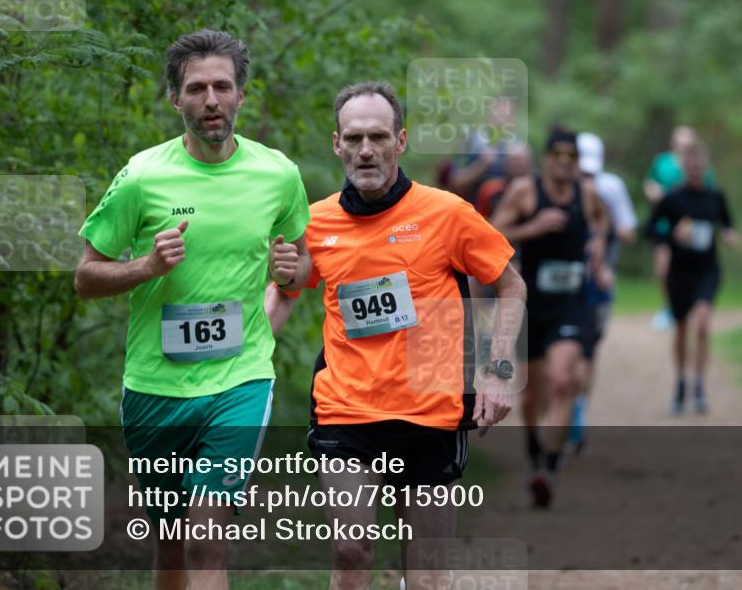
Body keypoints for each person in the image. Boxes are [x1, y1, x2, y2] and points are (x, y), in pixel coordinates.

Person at [265, 81, 526, 590]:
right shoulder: (315, 222)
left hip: (431, 409)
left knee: (426, 574)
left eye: (378, 137)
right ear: (337, 144)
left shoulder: (446, 213)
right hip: (347, 409)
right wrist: (244, 358)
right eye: (354, 138)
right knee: (350, 549)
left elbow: (511, 285)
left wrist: (498, 372)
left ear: (400, 141)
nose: (366, 150)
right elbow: (288, 290)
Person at [74, 29, 311, 590]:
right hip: (155, 386)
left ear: (241, 95)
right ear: (174, 98)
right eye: (197, 88)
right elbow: (85, 278)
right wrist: (146, 267)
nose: (211, 100)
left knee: (206, 537)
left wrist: (287, 276)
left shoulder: (277, 173)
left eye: (222, 87)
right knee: (172, 542)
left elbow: (300, 268)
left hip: (240, 379)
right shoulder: (141, 177)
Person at [490, 127, 609, 508]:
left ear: (577, 161)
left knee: (563, 380)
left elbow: (602, 219)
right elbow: (491, 232)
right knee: (531, 394)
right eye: (557, 154)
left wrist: (598, 247)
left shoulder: (586, 194)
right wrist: (532, 227)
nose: (563, 161)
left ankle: (550, 467)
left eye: (570, 156)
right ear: (546, 158)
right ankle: (533, 451)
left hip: (572, 302)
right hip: (532, 302)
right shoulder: (525, 191)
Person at [644, 139, 736, 414]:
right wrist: (671, 235)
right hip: (680, 272)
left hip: (707, 270)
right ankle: (681, 382)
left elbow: (727, 222)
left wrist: (729, 234)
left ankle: (699, 385)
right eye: (691, 168)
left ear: (705, 167)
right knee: (682, 328)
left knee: (703, 324)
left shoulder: (715, 196)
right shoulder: (673, 198)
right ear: (684, 168)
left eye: (699, 168)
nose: (695, 172)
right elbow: (650, 229)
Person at [567, 132, 637, 452]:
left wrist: (607, 242)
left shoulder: (611, 189)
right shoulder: (553, 190)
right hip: (563, 285)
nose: (587, 179)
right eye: (582, 172)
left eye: (591, 173)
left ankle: (578, 411)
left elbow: (628, 231)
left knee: (588, 349)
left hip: (597, 282)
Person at [642, 126, 715, 330]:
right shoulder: (661, 162)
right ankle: (670, 307)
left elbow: (710, 196)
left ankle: (689, 304)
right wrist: (652, 192)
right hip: (665, 223)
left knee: (688, 270)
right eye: (679, 143)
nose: (682, 148)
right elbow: (649, 182)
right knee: (662, 267)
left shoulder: (701, 167)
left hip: (690, 227)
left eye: (687, 144)